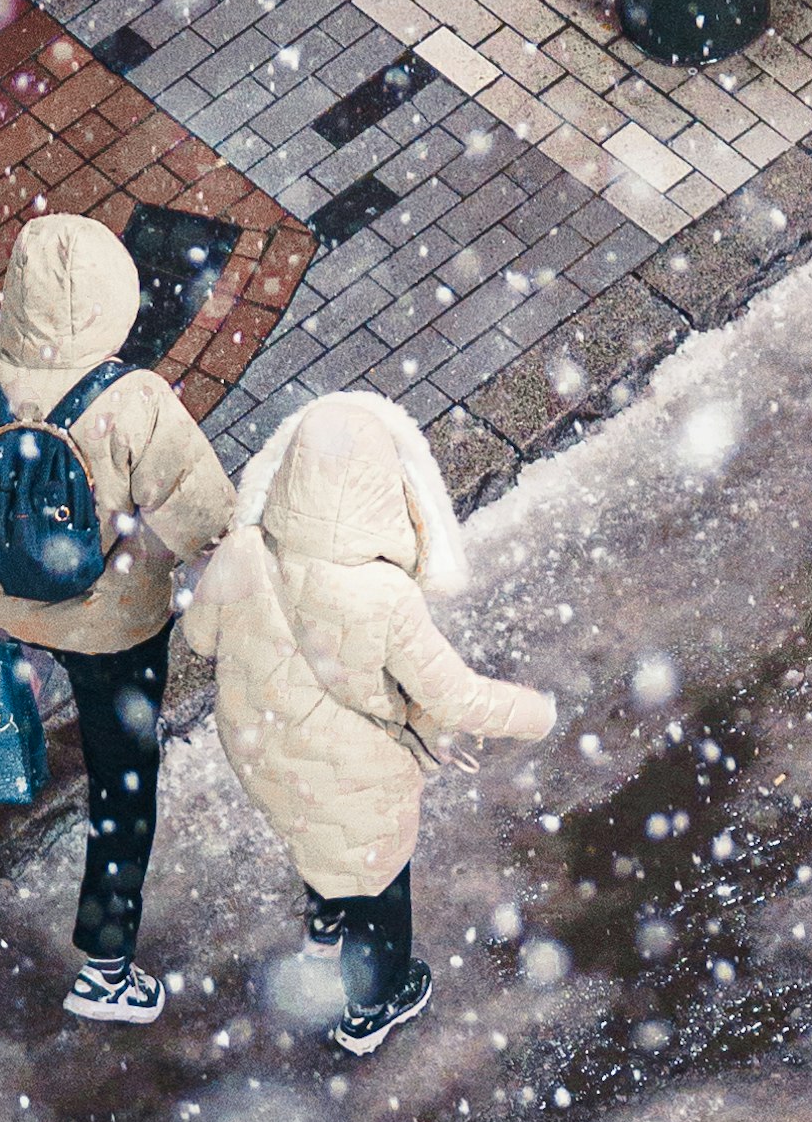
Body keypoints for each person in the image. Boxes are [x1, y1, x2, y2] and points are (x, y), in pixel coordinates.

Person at [0, 210, 239, 1026]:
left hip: (13, 604)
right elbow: (203, 512)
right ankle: (105, 964)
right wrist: (141, 566)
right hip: (116, 627)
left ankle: (26, 733)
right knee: (123, 781)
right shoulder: (133, 401)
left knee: (48, 682)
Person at [182, 389, 557, 1055]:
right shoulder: (382, 595)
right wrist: (540, 712)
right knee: (378, 888)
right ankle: (374, 1005)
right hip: (358, 774)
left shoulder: (245, 550)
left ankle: (324, 926)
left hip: (261, 747)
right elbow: (458, 698)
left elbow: (201, 638)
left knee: (311, 827)